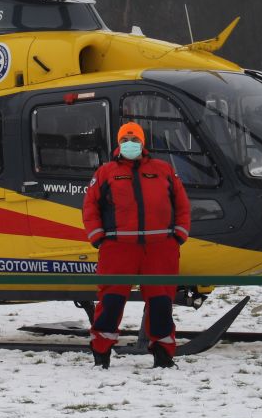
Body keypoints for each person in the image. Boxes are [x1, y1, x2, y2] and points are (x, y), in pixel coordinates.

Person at [81, 121, 192, 368]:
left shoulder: (163, 170)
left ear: (143, 143)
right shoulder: (105, 173)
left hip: (160, 248)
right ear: (118, 144)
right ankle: (101, 352)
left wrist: (178, 236)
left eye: (134, 140)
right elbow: (90, 208)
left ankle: (163, 355)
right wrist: (98, 237)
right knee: (111, 301)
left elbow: (182, 205)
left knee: (161, 303)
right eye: (125, 140)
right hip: (118, 248)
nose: (129, 144)